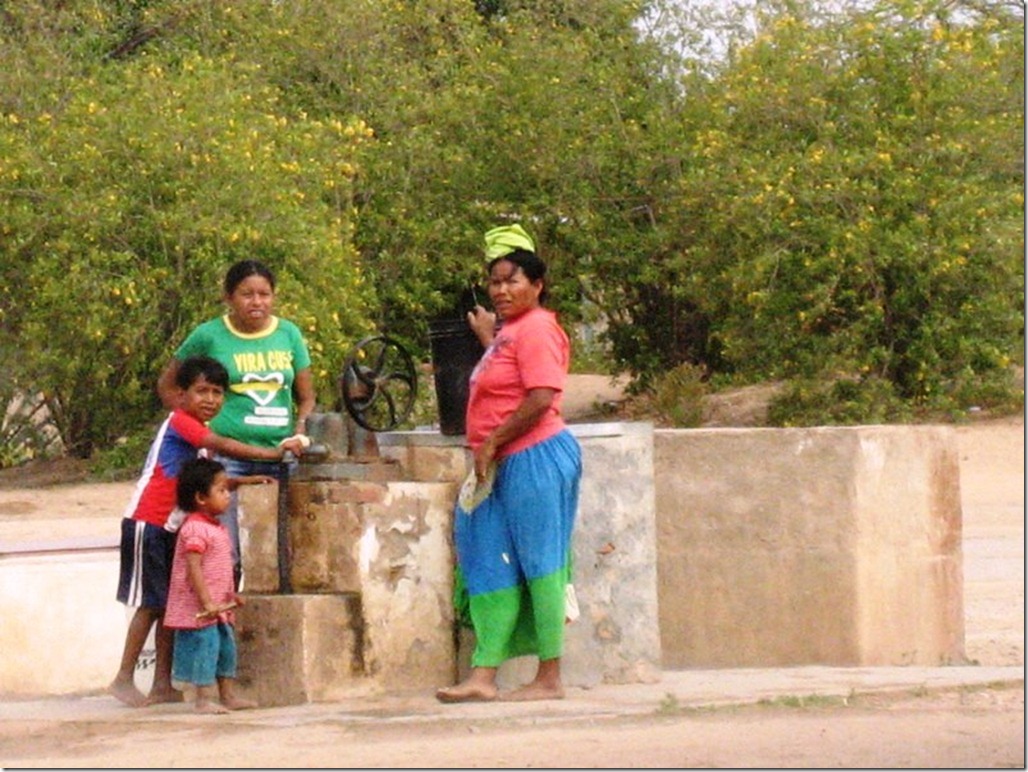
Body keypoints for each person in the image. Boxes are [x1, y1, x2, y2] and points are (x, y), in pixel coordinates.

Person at [436, 224, 583, 704]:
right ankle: (483, 673)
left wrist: (494, 439)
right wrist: (489, 340)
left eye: (512, 280)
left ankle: (549, 676)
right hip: (500, 462)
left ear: (537, 285)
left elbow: (541, 396)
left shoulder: (538, 328)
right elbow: (508, 380)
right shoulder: (510, 333)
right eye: (495, 282)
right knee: (488, 560)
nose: (501, 290)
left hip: (533, 456)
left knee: (543, 564)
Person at [110, 355, 299, 708]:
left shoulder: (197, 442)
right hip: (147, 522)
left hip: (171, 526)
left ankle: (162, 683)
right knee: (151, 604)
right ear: (181, 395)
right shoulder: (182, 423)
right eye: (202, 391)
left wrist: (242, 480)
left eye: (216, 392)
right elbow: (224, 446)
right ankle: (123, 676)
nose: (210, 399)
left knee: (169, 605)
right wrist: (271, 453)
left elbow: (208, 479)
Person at [157, 259, 315, 587]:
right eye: (247, 294)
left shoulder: (288, 333)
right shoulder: (208, 335)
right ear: (229, 297)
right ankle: (221, 625)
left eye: (264, 294)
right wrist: (194, 429)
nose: (257, 302)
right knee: (225, 554)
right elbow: (168, 384)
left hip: (283, 457)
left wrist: (300, 430)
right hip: (227, 463)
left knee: (283, 551)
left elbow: (308, 396)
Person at [164, 457, 258, 714]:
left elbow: (220, 570)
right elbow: (194, 567)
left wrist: (230, 595)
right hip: (202, 610)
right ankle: (203, 698)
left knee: (225, 650)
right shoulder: (195, 529)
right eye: (221, 490)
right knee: (204, 650)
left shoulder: (216, 529)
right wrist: (206, 601)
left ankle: (227, 694)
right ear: (200, 498)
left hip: (219, 609)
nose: (227, 495)